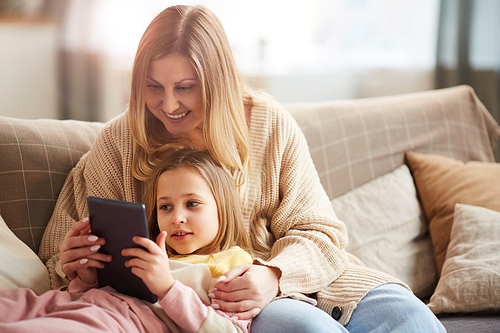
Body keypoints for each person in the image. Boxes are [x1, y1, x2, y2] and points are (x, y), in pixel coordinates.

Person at [39, 4, 446, 332]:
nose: (168, 105)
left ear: (217, 80)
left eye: (185, 87)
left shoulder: (268, 123)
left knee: (413, 319)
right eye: (152, 86)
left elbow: (321, 232)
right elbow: (67, 255)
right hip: (222, 304)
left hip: (308, 282)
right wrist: (73, 260)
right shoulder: (120, 141)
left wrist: (275, 274)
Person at [0, 148, 253, 333]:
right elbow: (97, 295)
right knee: (11, 302)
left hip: (121, 322)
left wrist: (167, 288)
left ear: (223, 208)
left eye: (192, 204)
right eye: (165, 206)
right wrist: (87, 278)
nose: (177, 218)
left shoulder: (233, 263)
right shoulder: (146, 246)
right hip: (77, 304)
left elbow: (230, 331)